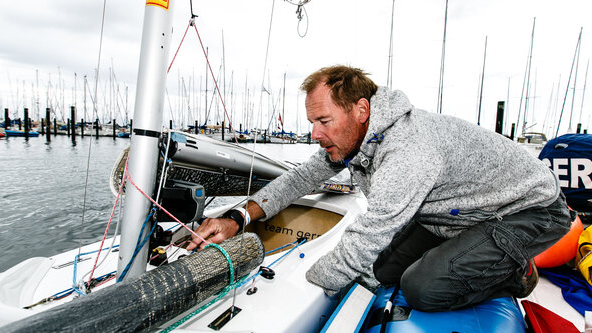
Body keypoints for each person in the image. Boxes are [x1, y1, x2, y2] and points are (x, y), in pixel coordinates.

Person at [186, 65, 572, 311]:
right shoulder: (355, 139)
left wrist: (297, 296)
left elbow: (369, 234)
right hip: (461, 214)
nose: (314, 133)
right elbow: (300, 178)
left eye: (323, 120)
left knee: (422, 288)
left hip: (528, 211)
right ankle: (479, 253)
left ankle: (515, 273)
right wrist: (238, 216)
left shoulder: (408, 149)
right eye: (312, 122)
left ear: (361, 110)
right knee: (383, 270)